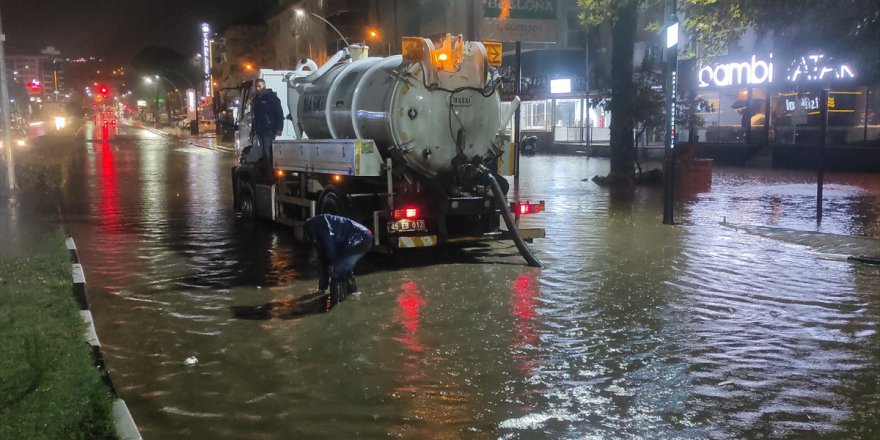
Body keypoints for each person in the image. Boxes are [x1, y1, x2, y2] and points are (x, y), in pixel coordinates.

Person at [304, 214, 373, 310]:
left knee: (337, 272)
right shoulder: (318, 231)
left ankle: (337, 305)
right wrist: (322, 288)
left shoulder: (320, 226)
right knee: (344, 270)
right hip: (362, 237)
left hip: (360, 238)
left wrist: (332, 264)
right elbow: (323, 261)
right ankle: (352, 295)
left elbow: (329, 247)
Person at [251, 79, 284, 171]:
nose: (258, 89)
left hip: (269, 129)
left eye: (259, 86)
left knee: (267, 149)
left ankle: (270, 170)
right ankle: (266, 169)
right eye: (256, 87)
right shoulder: (256, 99)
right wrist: (253, 129)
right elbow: (255, 116)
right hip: (259, 129)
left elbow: (279, 113)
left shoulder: (271, 98)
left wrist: (279, 128)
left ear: (264, 86)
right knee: (262, 150)